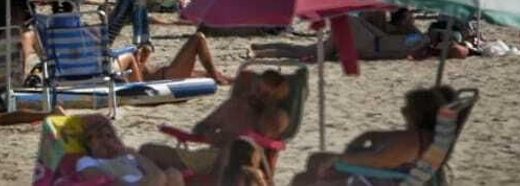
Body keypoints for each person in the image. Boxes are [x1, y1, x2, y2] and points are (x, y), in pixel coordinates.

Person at [139, 69, 294, 178]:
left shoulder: (276, 116)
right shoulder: (234, 104)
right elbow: (201, 126)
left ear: (274, 99)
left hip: (240, 165)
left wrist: (232, 138)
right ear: (254, 85)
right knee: (147, 150)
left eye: (266, 94)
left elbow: (264, 137)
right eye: (258, 89)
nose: (258, 95)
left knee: (230, 151)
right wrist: (207, 133)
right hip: (207, 158)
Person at [290, 86, 457, 184]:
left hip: (383, 180)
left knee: (304, 179)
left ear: (418, 113)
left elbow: (378, 161)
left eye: (407, 107)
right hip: (389, 174)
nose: (402, 110)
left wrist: (338, 160)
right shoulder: (422, 136)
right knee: (316, 161)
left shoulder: (412, 141)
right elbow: (384, 149)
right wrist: (369, 135)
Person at [116, 32, 231, 84]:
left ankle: (222, 78)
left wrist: (142, 58)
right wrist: (143, 58)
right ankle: (216, 77)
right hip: (167, 77)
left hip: (166, 75)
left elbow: (139, 73)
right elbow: (139, 78)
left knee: (206, 74)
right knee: (198, 38)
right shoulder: (126, 65)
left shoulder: (125, 64)